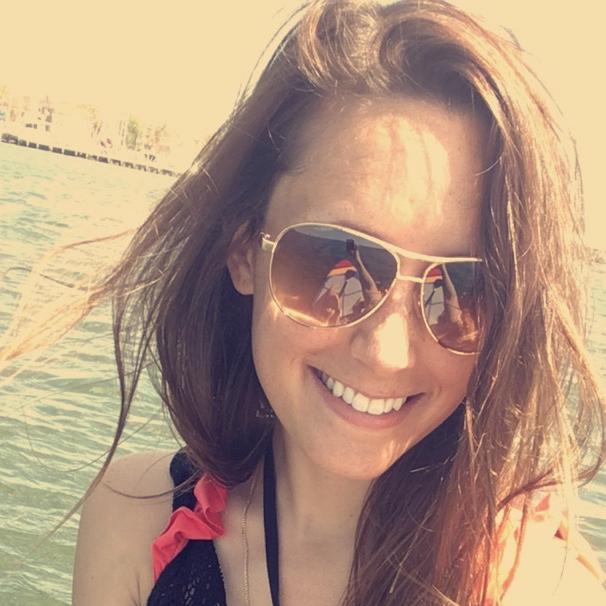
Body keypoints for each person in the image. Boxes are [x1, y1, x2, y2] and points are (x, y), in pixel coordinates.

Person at [35, 0, 602, 604]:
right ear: (244, 249)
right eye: (335, 260)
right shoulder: (131, 521)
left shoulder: (542, 591)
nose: (385, 351)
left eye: (462, 290)